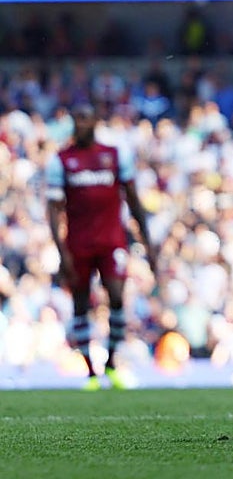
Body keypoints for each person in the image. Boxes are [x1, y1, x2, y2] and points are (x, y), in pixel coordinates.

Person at [45, 104, 157, 390]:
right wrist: (61, 251)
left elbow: (133, 200)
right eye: (77, 119)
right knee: (81, 303)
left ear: (95, 121)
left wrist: (147, 243)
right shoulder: (61, 160)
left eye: (85, 118)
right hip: (78, 243)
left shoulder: (115, 155)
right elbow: (54, 210)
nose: (81, 124)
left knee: (117, 296)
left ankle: (111, 363)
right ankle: (91, 372)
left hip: (111, 241)